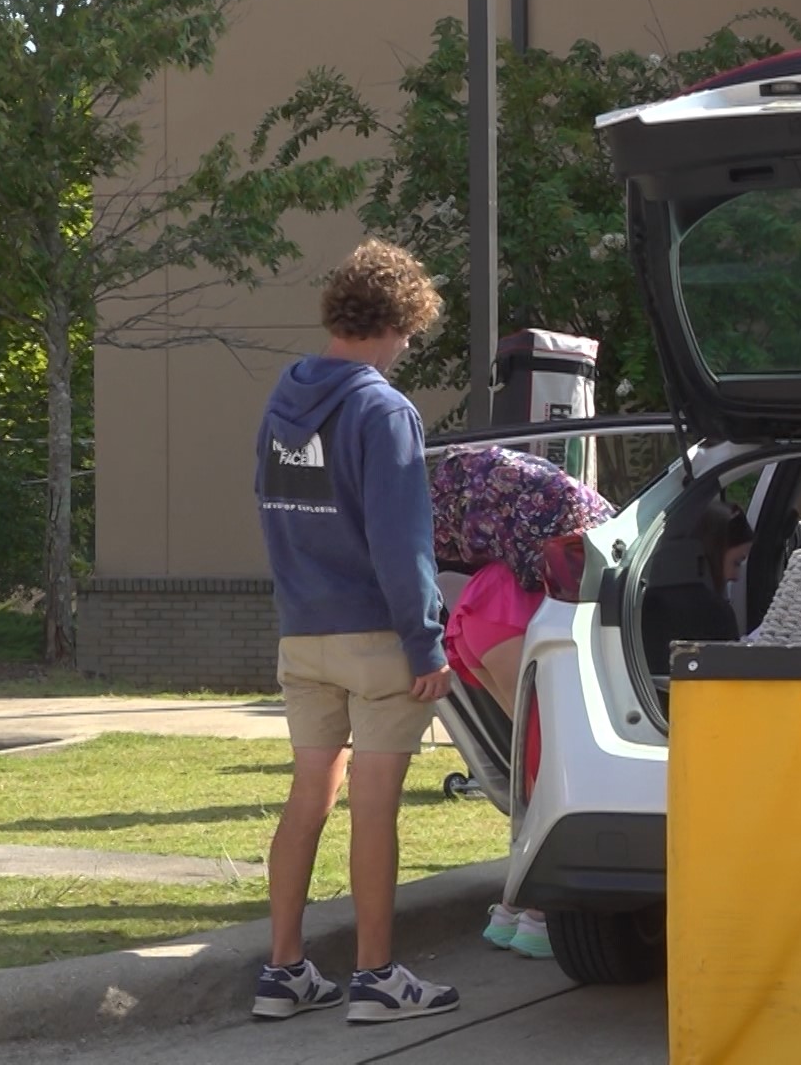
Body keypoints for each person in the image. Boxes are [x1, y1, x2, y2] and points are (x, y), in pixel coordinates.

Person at [252, 238, 458, 1024]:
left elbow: (271, 505)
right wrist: (427, 643)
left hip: (303, 633)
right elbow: (403, 544)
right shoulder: (383, 409)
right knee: (374, 808)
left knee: (308, 798)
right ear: (396, 320)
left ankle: (284, 971)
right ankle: (377, 978)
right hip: (377, 636)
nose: (406, 349)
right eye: (409, 333)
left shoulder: (284, 397)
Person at [433, 443, 617, 961]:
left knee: (530, 764)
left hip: (481, 611)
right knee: (546, 763)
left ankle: (514, 906)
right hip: (513, 613)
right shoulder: (566, 523)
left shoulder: (491, 539)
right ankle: (537, 912)